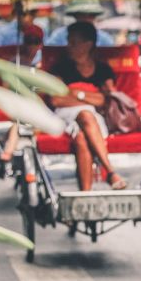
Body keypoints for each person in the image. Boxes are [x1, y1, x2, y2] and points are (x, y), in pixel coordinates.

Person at [48, 22, 127, 191]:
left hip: (94, 120)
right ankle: (111, 171)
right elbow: (56, 100)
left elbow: (104, 100)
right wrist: (89, 97)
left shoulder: (102, 69)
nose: (69, 46)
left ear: (88, 45)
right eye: (69, 42)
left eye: (74, 42)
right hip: (65, 116)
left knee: (82, 138)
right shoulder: (60, 67)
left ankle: (85, 195)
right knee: (86, 114)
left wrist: (75, 93)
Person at [0, 24, 45, 164]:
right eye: (29, 41)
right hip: (18, 103)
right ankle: (9, 151)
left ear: (40, 45)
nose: (32, 46)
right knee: (17, 124)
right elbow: (5, 86)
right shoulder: (15, 62)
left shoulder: (42, 64)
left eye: (35, 42)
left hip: (38, 105)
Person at [45, 0, 114, 47]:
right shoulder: (59, 36)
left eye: (90, 15)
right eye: (82, 15)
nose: (86, 19)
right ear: (75, 15)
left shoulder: (105, 39)